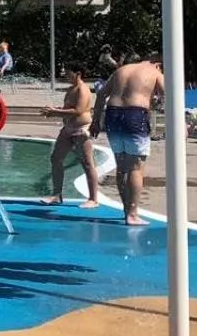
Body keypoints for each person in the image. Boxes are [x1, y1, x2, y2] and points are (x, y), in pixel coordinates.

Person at [91, 52, 165, 225]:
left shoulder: (122, 70)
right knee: (135, 168)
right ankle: (132, 214)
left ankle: (127, 211)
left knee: (122, 166)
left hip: (112, 115)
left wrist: (95, 122)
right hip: (135, 115)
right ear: (158, 64)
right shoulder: (155, 72)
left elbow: (101, 94)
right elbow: (169, 96)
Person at [42, 64, 98, 207]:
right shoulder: (71, 89)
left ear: (78, 73)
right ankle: (56, 194)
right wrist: (53, 111)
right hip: (68, 128)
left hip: (81, 129)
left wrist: (55, 112)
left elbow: (78, 110)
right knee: (56, 158)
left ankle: (93, 199)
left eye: (68, 73)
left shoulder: (82, 89)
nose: (65, 75)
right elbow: (68, 109)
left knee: (87, 163)